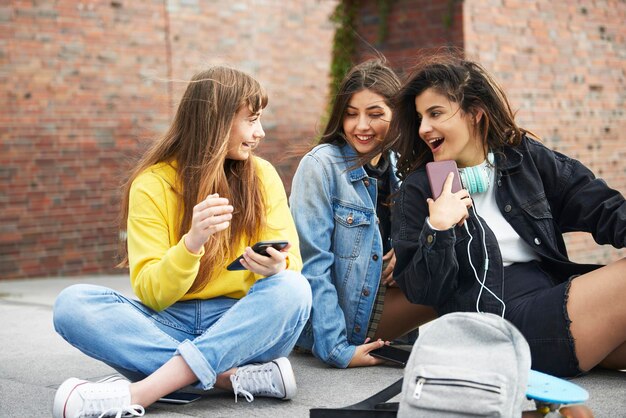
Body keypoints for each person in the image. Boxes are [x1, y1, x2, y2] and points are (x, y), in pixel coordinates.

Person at [52, 66, 312, 417]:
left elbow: (291, 264)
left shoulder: (262, 176)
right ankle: (228, 379)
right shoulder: (153, 183)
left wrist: (276, 267)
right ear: (215, 122)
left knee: (293, 288)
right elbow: (151, 291)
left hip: (240, 323)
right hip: (168, 320)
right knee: (72, 305)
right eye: (251, 120)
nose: (260, 132)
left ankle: (147, 389)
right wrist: (191, 244)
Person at [387, 53, 626, 377]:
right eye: (420, 117)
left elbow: (601, 206)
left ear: (476, 114)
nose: (424, 128)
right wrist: (438, 228)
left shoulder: (524, 159)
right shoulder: (418, 190)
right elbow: (423, 292)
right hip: (498, 327)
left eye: (436, 113)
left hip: (551, 297)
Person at [289, 59, 437, 369]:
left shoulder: (400, 166)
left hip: (380, 303)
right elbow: (313, 265)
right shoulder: (321, 166)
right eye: (351, 114)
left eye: (375, 114)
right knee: (456, 277)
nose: (361, 126)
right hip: (339, 322)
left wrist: (409, 248)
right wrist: (336, 350)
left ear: (397, 116)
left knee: (457, 259)